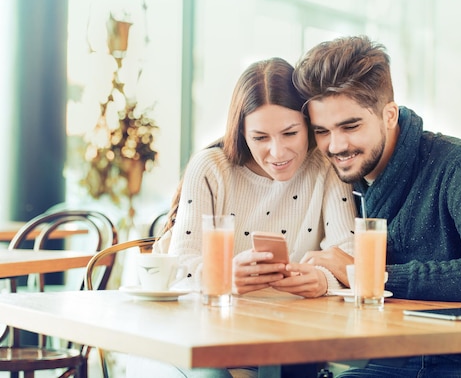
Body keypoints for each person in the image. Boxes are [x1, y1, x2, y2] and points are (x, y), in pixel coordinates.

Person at [292, 35, 461, 378]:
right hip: (394, 358)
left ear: (389, 115)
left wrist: (367, 275)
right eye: (322, 131)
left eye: (351, 126)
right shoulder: (344, 183)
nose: (336, 145)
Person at [127, 57, 356, 378]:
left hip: (291, 337)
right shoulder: (211, 168)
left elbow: (351, 260)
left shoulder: (323, 169)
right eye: (260, 138)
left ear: (308, 125)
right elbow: (178, 270)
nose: (277, 153)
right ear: (241, 132)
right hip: (200, 337)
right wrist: (224, 277)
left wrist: (323, 281)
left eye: (290, 133)